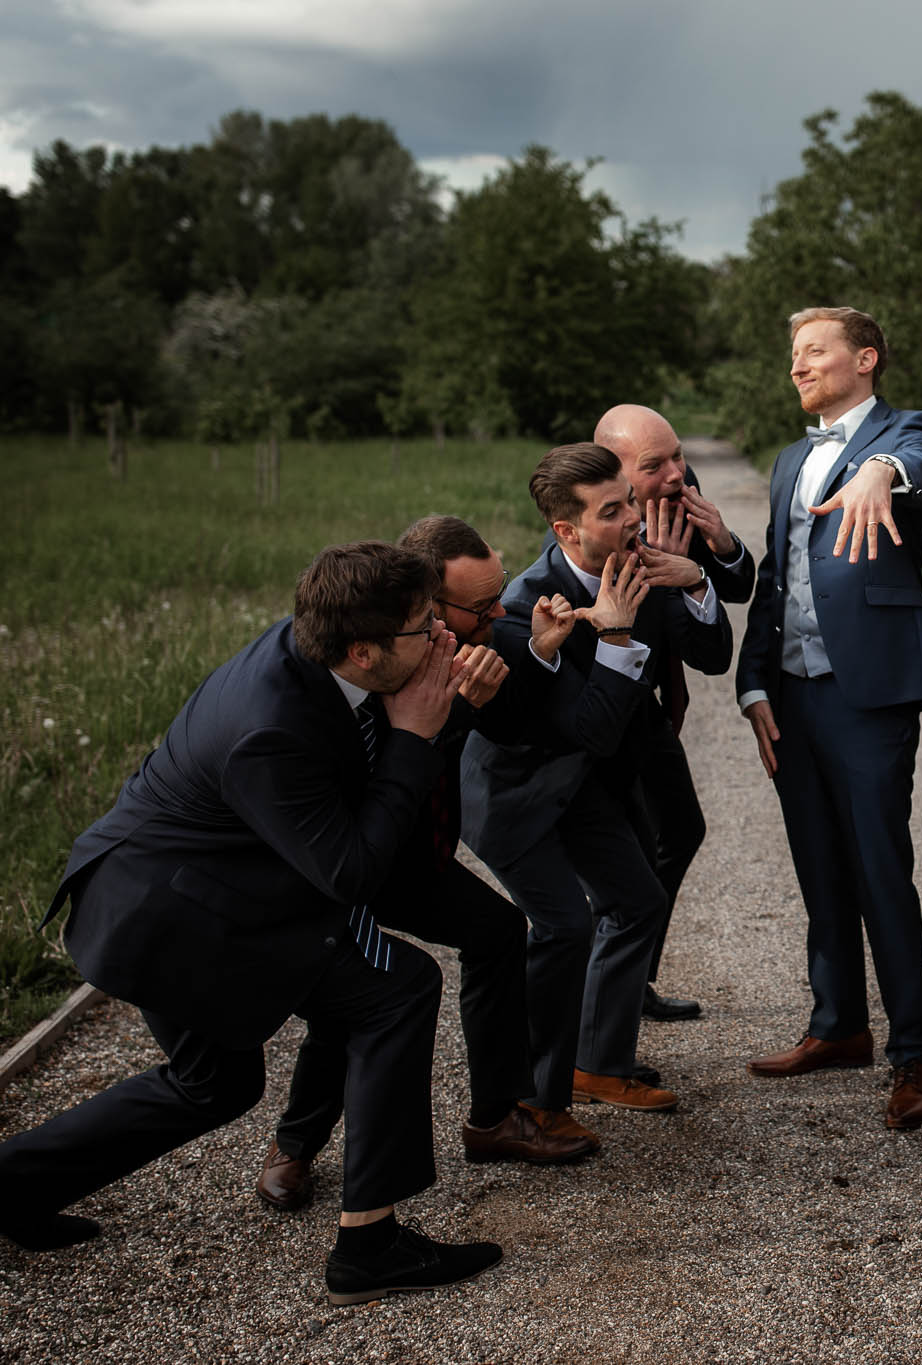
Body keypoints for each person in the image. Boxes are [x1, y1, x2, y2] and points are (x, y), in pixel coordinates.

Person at [0, 542, 502, 1305]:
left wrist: (437, 716)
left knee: (215, 1083)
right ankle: (369, 1244)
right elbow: (353, 870)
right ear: (362, 651)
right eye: (423, 627)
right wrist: (415, 736)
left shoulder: (320, 651)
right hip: (173, 914)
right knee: (396, 988)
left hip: (197, 891)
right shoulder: (272, 728)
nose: (442, 638)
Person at [254, 516, 601, 1212]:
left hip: (414, 853)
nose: (497, 613)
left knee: (501, 931)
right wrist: (447, 715)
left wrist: (529, 653)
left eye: (499, 596)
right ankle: (295, 1145)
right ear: (425, 607)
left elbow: (511, 725)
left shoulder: (469, 639)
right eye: (480, 606)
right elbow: (370, 782)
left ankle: (494, 1117)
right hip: (344, 857)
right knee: (358, 988)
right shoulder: (367, 659)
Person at [463, 442, 732, 1126]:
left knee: (637, 899)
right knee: (564, 925)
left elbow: (711, 654)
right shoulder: (525, 606)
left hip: (588, 780)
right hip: (520, 793)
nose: (634, 521)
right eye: (612, 512)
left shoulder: (640, 565)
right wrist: (612, 636)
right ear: (566, 530)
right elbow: (591, 731)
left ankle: (598, 1065)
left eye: (630, 504)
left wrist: (695, 579)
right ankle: (526, 1092)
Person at [736, 305, 922, 1130]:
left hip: (867, 695)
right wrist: (753, 686)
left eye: (814, 352)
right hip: (791, 694)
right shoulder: (791, 459)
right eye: (793, 354)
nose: (797, 366)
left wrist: (879, 472)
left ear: (865, 358)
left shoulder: (910, 432)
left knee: (877, 869)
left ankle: (915, 1053)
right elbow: (776, 576)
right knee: (818, 867)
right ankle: (838, 1026)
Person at [594, 403, 757, 1024]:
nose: (675, 475)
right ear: (614, 478)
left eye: (678, 456)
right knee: (627, 847)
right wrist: (672, 583)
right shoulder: (599, 525)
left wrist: (720, 545)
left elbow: (734, 584)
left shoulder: (684, 494)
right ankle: (607, 986)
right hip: (611, 708)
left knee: (677, 830)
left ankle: (631, 978)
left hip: (656, 705)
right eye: (654, 465)